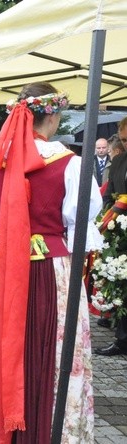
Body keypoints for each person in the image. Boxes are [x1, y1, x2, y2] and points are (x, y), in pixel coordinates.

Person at [0, 82, 102, 444]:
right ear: (51, 114)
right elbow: (78, 233)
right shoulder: (71, 165)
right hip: (45, 272)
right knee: (46, 349)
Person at [96, 116, 127, 354]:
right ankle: (122, 338)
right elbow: (110, 196)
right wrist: (106, 220)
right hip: (120, 231)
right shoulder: (118, 162)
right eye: (124, 140)